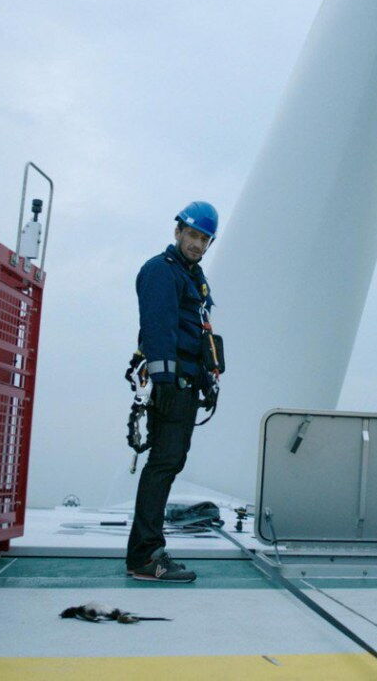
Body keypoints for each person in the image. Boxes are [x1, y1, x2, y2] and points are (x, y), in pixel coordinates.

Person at [126, 201, 220, 582]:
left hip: (187, 382)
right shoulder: (161, 272)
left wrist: (208, 378)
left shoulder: (192, 277)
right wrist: (164, 386)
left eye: (204, 239)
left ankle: (147, 552)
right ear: (177, 231)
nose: (197, 244)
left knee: (170, 463)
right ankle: (146, 557)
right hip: (172, 385)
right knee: (163, 465)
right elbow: (157, 329)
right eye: (193, 235)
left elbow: (198, 332)